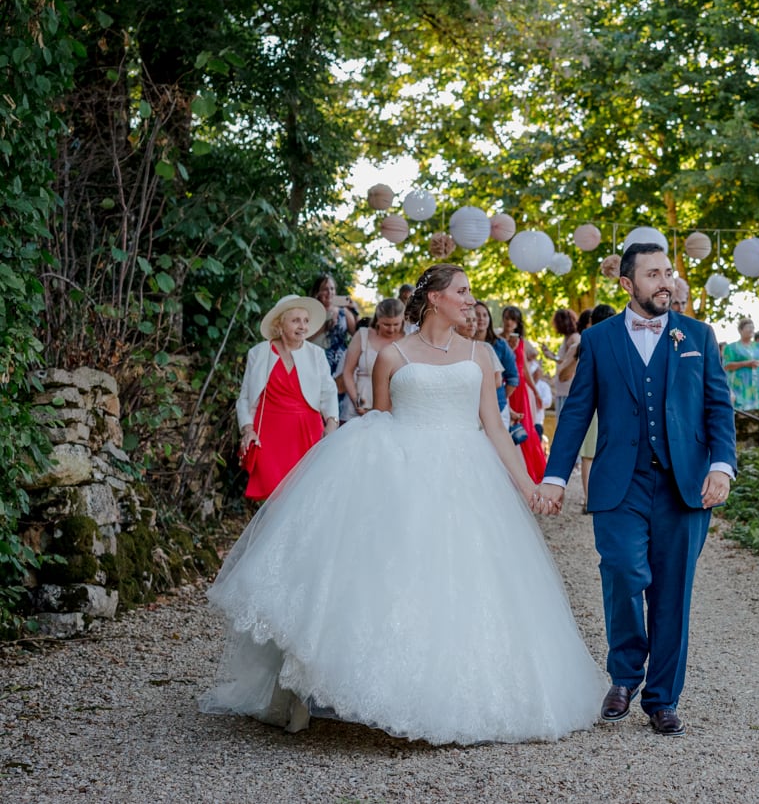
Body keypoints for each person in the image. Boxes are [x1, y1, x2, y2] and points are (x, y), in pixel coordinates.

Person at [202, 264, 607, 744]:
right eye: (462, 291)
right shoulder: (392, 356)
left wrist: (529, 487)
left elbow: (495, 428)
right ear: (434, 298)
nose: (470, 300)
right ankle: (372, 687)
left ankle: (463, 694)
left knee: (470, 580)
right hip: (405, 477)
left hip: (470, 477)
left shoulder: (479, 355)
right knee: (396, 575)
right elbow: (383, 422)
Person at [540, 243, 736, 738]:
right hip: (619, 483)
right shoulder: (600, 340)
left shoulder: (697, 335)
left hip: (684, 484)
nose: (665, 282)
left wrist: (721, 467)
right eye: (653, 274)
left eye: (668, 272)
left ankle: (663, 698)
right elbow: (577, 412)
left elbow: (718, 407)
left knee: (673, 592)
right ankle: (624, 675)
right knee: (624, 572)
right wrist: (555, 476)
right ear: (627, 284)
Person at [236, 295, 339, 503]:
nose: (303, 326)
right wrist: (248, 430)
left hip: (307, 433)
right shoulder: (258, 353)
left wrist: (331, 423)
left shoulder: (316, 354)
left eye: (306, 321)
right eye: (296, 320)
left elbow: (328, 392)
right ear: (279, 324)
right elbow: (245, 397)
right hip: (270, 436)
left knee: (304, 497)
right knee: (275, 498)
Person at [501, 305, 547, 483]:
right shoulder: (498, 340)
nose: (509, 322)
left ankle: (529, 471)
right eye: (507, 318)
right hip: (507, 386)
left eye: (513, 319)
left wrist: (536, 393)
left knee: (526, 429)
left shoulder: (521, 341)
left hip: (522, 390)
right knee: (506, 426)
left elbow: (526, 371)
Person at [340, 298, 404, 419]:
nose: (391, 329)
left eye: (396, 324)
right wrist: (356, 401)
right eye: (386, 324)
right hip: (360, 403)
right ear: (378, 319)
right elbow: (348, 372)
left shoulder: (407, 339)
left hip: (395, 407)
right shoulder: (363, 334)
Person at [578, 303, 615, 509]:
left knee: (589, 454)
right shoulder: (616, 340)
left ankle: (589, 498)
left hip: (594, 403)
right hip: (606, 403)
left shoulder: (588, 340)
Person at [308, 274, 357, 410]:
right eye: (325, 289)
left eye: (332, 289)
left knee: (336, 401)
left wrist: (355, 310)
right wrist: (324, 326)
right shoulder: (309, 312)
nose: (329, 293)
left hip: (340, 365)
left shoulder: (343, 312)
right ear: (317, 291)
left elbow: (358, 335)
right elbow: (302, 339)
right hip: (315, 362)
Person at [476, 302, 519, 429]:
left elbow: (513, 378)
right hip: (471, 408)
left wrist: (498, 397)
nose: (481, 319)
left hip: (497, 407)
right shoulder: (462, 344)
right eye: (477, 315)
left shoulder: (500, 345)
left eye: (485, 315)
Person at [722, 318, 759, 411]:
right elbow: (726, 365)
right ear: (740, 330)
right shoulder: (731, 347)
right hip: (741, 387)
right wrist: (746, 363)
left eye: (753, 327)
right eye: (748, 327)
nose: (751, 330)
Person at [551, 309, 581, 415]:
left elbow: (574, 359)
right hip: (563, 388)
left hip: (568, 388)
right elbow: (565, 360)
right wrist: (552, 356)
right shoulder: (567, 338)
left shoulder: (574, 338)